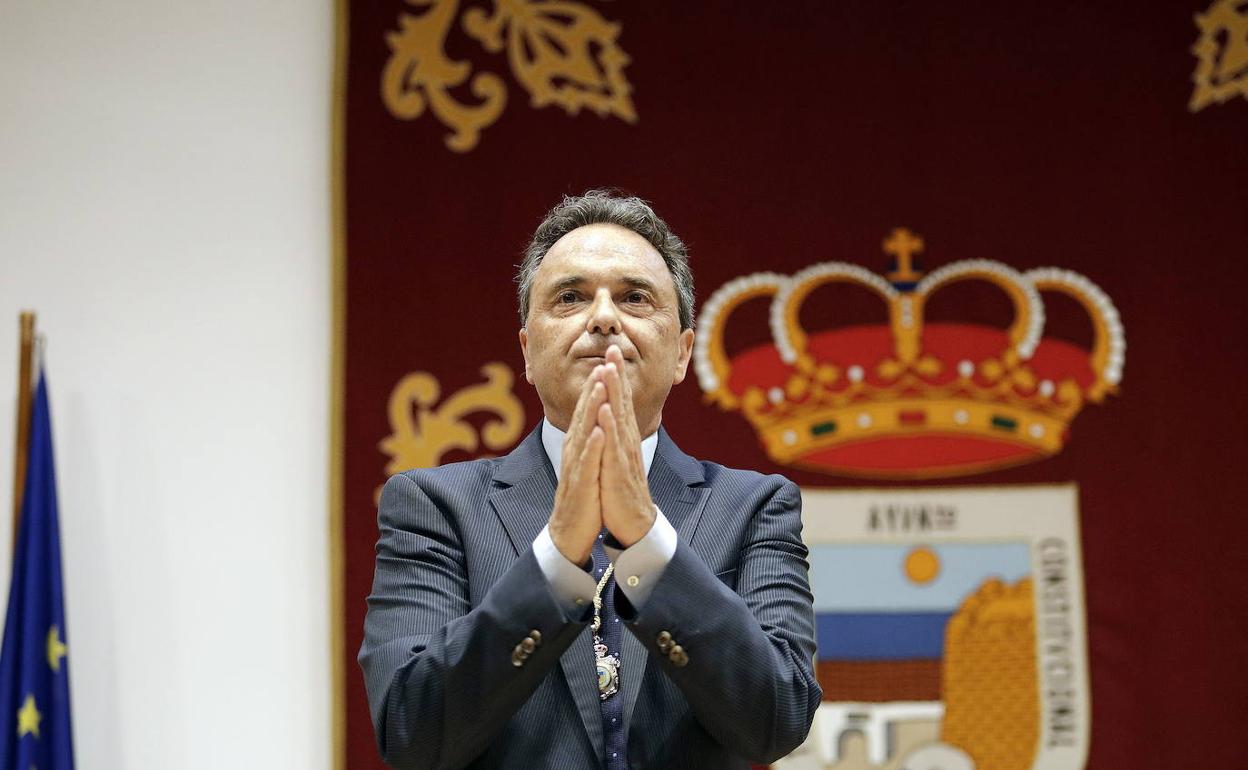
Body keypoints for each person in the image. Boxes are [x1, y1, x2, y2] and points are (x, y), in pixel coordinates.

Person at [359, 190, 820, 769]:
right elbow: (412, 732)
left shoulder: (754, 506)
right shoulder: (434, 505)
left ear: (682, 354)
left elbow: (778, 720)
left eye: (634, 297)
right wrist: (556, 560)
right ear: (528, 352)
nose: (603, 318)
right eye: (571, 297)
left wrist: (649, 545)